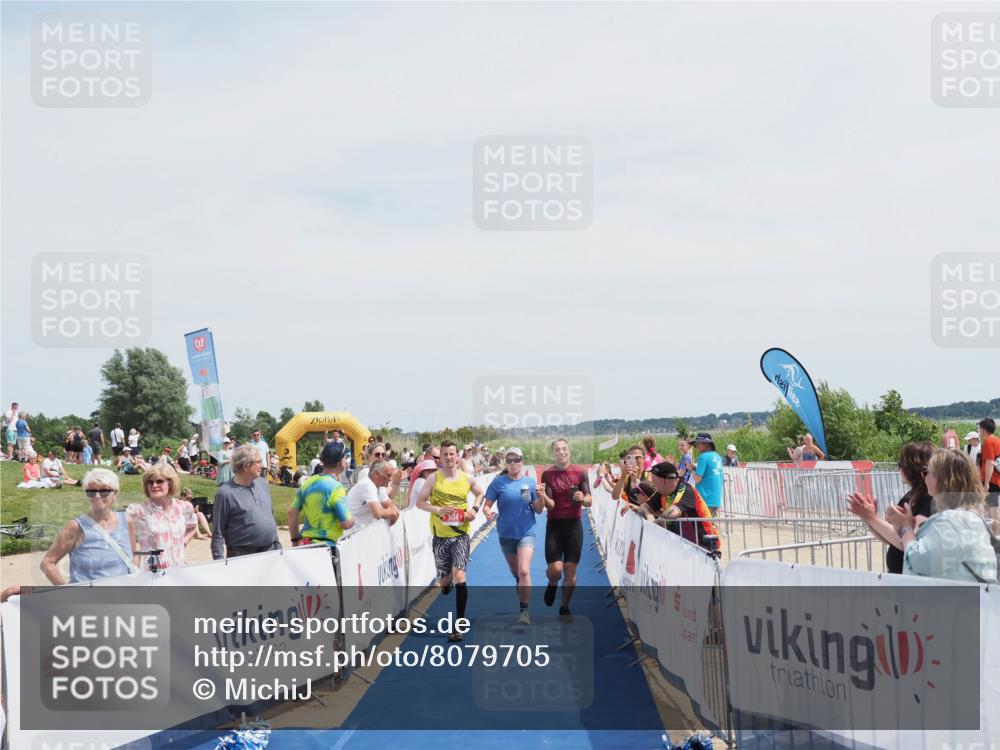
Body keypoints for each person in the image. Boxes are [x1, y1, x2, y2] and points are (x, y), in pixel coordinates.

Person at [890, 448, 997, 583]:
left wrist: (906, 527)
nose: (924, 476)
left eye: (926, 472)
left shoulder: (956, 520)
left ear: (943, 480)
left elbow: (919, 560)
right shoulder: (961, 517)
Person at [415, 440, 484, 642]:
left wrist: (475, 509)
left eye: (452, 454)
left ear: (457, 455)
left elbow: (480, 493)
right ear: (441, 457)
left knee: (460, 574)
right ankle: (446, 584)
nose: (448, 457)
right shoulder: (434, 479)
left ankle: (459, 624)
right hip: (440, 536)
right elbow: (419, 502)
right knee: (444, 583)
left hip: (461, 534)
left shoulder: (466, 478)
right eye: (445, 454)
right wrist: (438, 509)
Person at [848, 441, 934, 574]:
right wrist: (868, 518)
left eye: (900, 464)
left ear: (912, 469)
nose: (898, 469)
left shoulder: (930, 500)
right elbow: (888, 538)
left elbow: (906, 543)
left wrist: (872, 517)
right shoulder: (909, 496)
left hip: (913, 578)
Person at [40, 469, 138, 584]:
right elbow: (47, 563)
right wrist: (66, 591)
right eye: (91, 492)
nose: (97, 496)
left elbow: (134, 555)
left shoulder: (126, 521)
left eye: (104, 491)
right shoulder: (76, 527)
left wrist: (134, 579)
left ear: (115, 493)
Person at [483, 447, 545, 624]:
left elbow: (539, 510)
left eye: (516, 460)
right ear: (506, 463)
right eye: (509, 460)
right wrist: (487, 512)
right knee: (516, 572)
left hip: (527, 532)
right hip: (506, 534)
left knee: (524, 570)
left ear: (521, 462)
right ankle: (520, 582)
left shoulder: (529, 483)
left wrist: (541, 496)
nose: (513, 463)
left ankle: (524, 612)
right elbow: (487, 505)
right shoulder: (498, 483)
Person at [538, 439, 591, 617]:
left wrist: (582, 498)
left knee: (570, 569)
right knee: (556, 570)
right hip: (554, 526)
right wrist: (543, 496)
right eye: (557, 449)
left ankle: (565, 606)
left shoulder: (580, 472)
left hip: (574, 526)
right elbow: (551, 505)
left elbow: (589, 500)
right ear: (553, 453)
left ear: (569, 451)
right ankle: (552, 583)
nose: (561, 452)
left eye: (564, 449)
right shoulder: (547, 474)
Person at [211, 445, 281, 559]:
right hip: (242, 556)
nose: (262, 465)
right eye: (258, 462)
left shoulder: (262, 484)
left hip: (270, 551)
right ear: (246, 466)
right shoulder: (225, 493)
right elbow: (217, 532)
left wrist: (277, 546)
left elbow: (270, 517)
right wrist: (219, 562)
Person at [127, 465, 195, 571]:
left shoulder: (184, 507)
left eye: (159, 481)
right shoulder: (138, 511)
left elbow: (193, 527)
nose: (154, 485)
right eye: (150, 482)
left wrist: (183, 543)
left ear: (170, 483)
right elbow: (125, 540)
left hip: (179, 568)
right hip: (152, 571)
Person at [637, 461, 719, 550]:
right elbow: (644, 507)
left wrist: (654, 525)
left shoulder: (687, 490)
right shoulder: (662, 492)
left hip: (705, 544)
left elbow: (672, 513)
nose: (653, 484)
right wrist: (649, 515)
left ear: (663, 481)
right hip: (685, 545)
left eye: (654, 481)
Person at [288, 441, 354, 547]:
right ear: (341, 462)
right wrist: (353, 519)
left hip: (305, 544)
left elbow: (292, 512)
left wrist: (295, 539)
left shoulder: (308, 482)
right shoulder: (336, 488)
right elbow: (346, 523)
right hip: (326, 547)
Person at [344, 459, 402, 534]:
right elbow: (378, 513)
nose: (390, 479)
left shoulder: (379, 486)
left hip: (362, 532)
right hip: (353, 534)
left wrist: (394, 512)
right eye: (388, 475)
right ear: (376, 474)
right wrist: (393, 513)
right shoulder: (367, 484)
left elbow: (389, 504)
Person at [691, 433, 724, 516]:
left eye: (698, 444)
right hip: (715, 499)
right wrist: (695, 468)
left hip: (705, 498)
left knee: (703, 523)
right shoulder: (718, 456)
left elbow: (697, 479)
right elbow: (709, 472)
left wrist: (692, 471)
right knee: (710, 522)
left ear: (706, 444)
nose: (696, 447)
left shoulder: (703, 457)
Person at [978, 418, 1000, 522]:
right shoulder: (997, 440)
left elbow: (990, 463)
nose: (979, 431)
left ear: (983, 430)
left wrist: (986, 483)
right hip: (996, 479)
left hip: (991, 480)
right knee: (992, 507)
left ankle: (996, 529)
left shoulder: (988, 441)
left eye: (979, 428)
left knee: (991, 509)